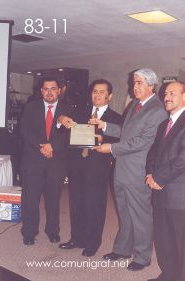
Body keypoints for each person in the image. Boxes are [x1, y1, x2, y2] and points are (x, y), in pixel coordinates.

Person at [90, 69, 167, 270]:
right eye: (134, 83)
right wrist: (104, 125)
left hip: (138, 171)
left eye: (140, 83)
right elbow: (125, 132)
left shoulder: (157, 110)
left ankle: (142, 257)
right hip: (122, 168)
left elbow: (143, 142)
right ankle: (123, 249)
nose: (135, 87)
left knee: (141, 215)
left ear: (152, 86)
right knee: (124, 212)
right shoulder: (135, 104)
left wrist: (111, 148)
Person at [58, 79, 122, 256]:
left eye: (102, 92)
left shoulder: (116, 118)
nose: (97, 95)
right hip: (77, 165)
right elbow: (64, 131)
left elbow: (121, 140)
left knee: (95, 205)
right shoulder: (80, 112)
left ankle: (93, 242)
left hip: (98, 167)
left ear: (109, 96)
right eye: (95, 91)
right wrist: (61, 120)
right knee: (77, 203)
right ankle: (77, 238)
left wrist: (103, 139)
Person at [20, 77, 69, 245]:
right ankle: (29, 232)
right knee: (30, 198)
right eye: (46, 89)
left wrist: (52, 146)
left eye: (53, 88)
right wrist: (42, 146)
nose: (49, 92)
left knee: (53, 199)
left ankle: (53, 231)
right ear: (41, 91)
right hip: (32, 160)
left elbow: (68, 135)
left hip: (56, 162)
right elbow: (24, 130)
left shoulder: (67, 109)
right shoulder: (30, 107)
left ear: (59, 90)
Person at [146, 81, 185, 281]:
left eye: (173, 93)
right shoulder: (164, 124)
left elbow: (182, 159)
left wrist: (159, 178)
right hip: (160, 191)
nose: (167, 97)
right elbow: (153, 153)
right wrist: (151, 176)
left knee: (181, 240)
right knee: (163, 237)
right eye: (165, 93)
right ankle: (169, 275)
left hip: (180, 195)